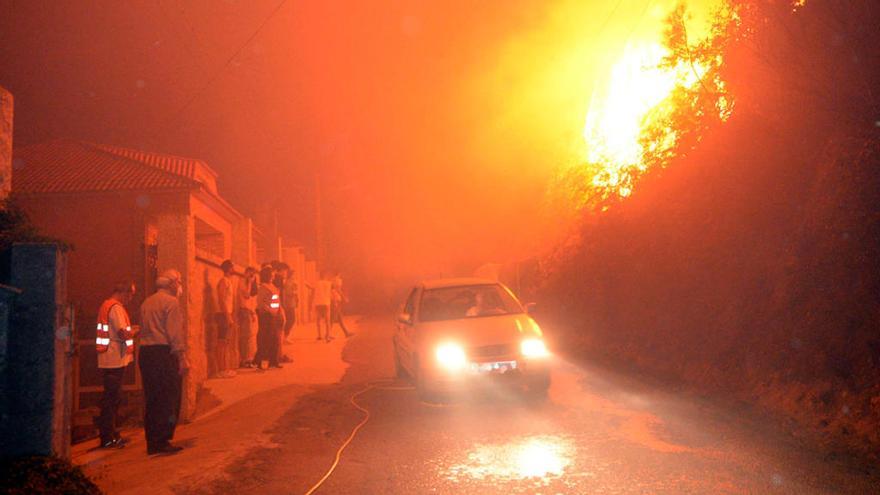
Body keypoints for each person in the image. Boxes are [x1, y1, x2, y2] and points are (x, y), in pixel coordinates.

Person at [139, 269, 189, 455]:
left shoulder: (147, 302)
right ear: (173, 283)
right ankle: (163, 439)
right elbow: (174, 334)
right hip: (163, 353)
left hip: (146, 353)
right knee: (169, 397)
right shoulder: (171, 303)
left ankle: (152, 441)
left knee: (152, 398)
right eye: (179, 282)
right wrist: (182, 357)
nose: (180, 286)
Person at [95, 280, 137, 449]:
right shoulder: (116, 308)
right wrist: (134, 330)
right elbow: (122, 332)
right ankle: (108, 436)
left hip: (108, 357)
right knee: (112, 398)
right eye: (130, 295)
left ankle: (110, 434)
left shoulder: (106, 305)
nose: (130, 299)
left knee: (110, 397)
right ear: (124, 292)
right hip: (114, 359)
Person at [253, 266, 283, 369]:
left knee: (274, 338)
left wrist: (278, 311)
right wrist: (270, 311)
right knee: (265, 339)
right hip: (266, 316)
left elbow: (276, 300)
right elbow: (261, 303)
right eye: (272, 274)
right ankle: (262, 362)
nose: (273, 276)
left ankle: (273, 361)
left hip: (274, 315)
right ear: (268, 275)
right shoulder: (263, 287)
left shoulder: (272, 286)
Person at [214, 260, 237, 378]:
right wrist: (227, 316)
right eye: (232, 267)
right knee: (222, 342)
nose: (234, 269)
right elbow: (221, 299)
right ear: (228, 268)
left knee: (226, 342)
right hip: (223, 315)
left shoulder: (228, 281)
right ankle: (221, 370)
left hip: (227, 314)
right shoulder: (223, 281)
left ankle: (225, 368)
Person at [236, 266, 258, 368]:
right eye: (250, 274)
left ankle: (248, 358)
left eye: (252, 274)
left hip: (249, 311)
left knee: (249, 336)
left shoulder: (251, 284)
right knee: (245, 337)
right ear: (246, 273)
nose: (251, 276)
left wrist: (253, 313)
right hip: (244, 311)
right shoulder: (242, 282)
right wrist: (249, 282)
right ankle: (244, 360)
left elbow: (252, 300)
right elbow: (246, 296)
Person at [330, 272, 352, 337]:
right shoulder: (338, 280)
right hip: (336, 299)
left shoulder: (331, 280)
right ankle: (328, 334)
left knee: (338, 317)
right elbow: (339, 290)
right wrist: (344, 297)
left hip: (333, 299)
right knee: (333, 317)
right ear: (339, 273)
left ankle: (346, 333)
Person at [281, 264, 299, 344]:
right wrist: (294, 291)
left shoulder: (292, 282)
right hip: (289, 304)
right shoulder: (288, 282)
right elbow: (288, 292)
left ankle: (286, 336)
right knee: (291, 319)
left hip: (292, 303)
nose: (295, 276)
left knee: (291, 319)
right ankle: (285, 336)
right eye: (294, 274)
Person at [313, 272, 333, 342]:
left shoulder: (317, 283)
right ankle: (327, 337)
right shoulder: (329, 283)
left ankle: (319, 335)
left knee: (318, 320)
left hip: (318, 303)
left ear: (320, 276)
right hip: (326, 303)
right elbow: (331, 292)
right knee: (327, 320)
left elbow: (313, 290)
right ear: (325, 276)